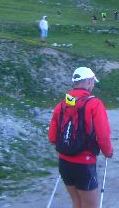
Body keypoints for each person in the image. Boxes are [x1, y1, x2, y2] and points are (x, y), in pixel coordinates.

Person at [48, 67, 113, 208]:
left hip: (64, 161)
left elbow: (52, 137)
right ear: (89, 81)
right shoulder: (95, 104)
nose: (93, 85)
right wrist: (108, 152)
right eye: (93, 82)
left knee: (77, 202)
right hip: (84, 162)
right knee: (90, 205)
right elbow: (103, 134)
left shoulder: (63, 104)